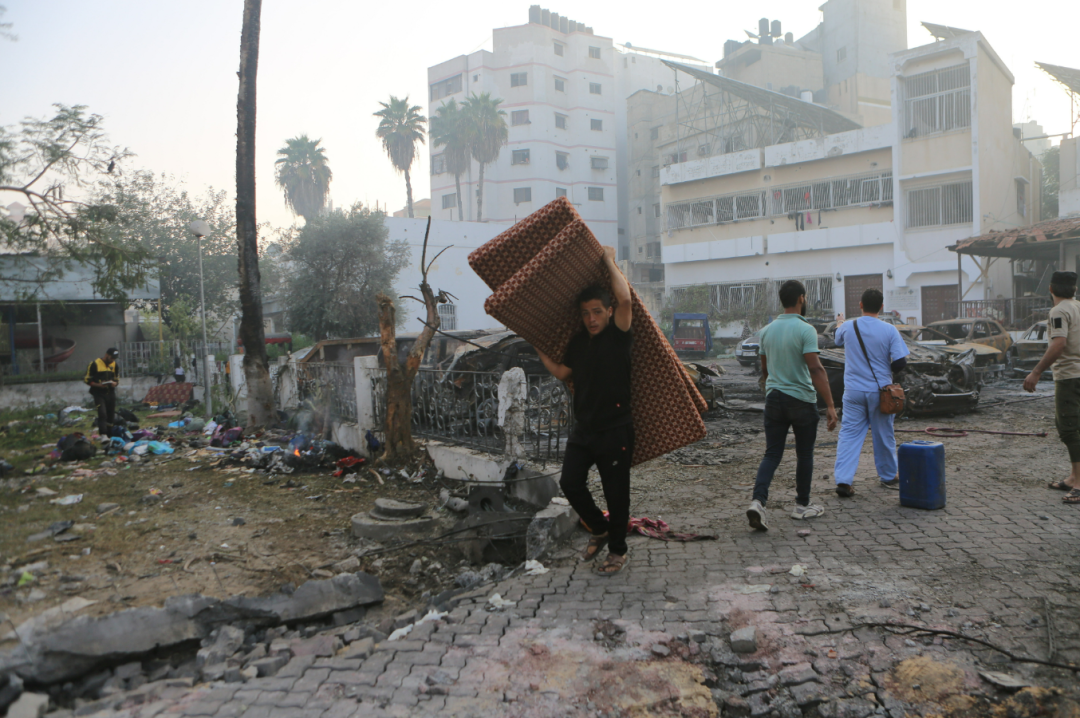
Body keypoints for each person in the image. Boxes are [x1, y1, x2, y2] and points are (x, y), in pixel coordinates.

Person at [537, 246, 634, 575]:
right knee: (570, 482)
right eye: (585, 313)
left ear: (608, 312)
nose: (591, 318)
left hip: (615, 428)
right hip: (584, 429)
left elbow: (626, 301)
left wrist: (608, 260)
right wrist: (538, 348)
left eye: (596, 311)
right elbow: (565, 374)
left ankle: (618, 551)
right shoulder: (578, 343)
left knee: (616, 493)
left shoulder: (619, 336)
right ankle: (599, 527)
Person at [747, 280, 838, 531]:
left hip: (774, 398)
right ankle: (801, 506)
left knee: (772, 453)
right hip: (800, 400)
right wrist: (830, 405)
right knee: (804, 453)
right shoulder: (805, 329)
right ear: (801, 298)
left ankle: (758, 502)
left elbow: (764, 370)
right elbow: (816, 368)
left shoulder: (766, 331)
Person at [832, 288, 910, 496]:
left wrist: (840, 321)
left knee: (849, 434)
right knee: (884, 434)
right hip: (880, 392)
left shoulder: (849, 326)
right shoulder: (889, 330)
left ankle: (843, 480)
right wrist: (887, 374)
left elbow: (837, 339)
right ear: (882, 307)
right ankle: (888, 475)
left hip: (853, 392)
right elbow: (901, 361)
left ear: (860, 305)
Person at [1024, 270, 1080, 505]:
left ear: (1050, 289)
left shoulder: (1058, 311)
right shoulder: (1078, 306)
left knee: (1069, 428)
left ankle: (1078, 484)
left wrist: (1036, 372)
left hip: (1069, 377)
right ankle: (1073, 477)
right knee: (1073, 426)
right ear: (1074, 289)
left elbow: (1059, 345)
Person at [85, 348, 120, 436]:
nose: (113, 360)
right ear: (106, 355)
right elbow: (87, 380)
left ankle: (110, 434)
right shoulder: (94, 364)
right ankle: (103, 434)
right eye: (111, 358)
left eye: (114, 359)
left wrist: (114, 383)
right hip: (98, 393)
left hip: (110, 393)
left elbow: (117, 379)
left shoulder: (115, 365)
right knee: (102, 414)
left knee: (110, 415)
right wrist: (98, 385)